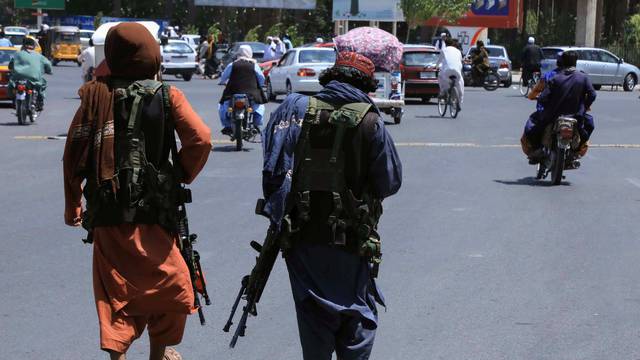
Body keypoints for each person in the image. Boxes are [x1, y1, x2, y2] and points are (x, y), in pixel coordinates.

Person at [62, 22, 212, 360]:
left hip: (108, 214)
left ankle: (119, 356)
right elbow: (200, 139)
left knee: (115, 289)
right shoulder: (167, 95)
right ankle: (158, 353)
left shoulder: (94, 96)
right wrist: (182, 174)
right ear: (152, 54)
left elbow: (73, 154)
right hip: (157, 213)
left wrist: (73, 205)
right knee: (172, 285)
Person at [261, 51, 402, 360]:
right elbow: (389, 183)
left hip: (303, 238)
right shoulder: (371, 122)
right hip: (352, 241)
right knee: (356, 317)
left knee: (313, 318)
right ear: (366, 85)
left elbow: (272, 171)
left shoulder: (294, 110)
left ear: (329, 79)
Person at [521, 51, 596, 163]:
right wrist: (583, 106)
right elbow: (592, 94)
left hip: (553, 116)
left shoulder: (554, 78)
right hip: (577, 116)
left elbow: (543, 97)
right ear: (575, 63)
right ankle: (577, 150)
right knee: (589, 125)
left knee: (532, 127)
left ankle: (537, 150)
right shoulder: (583, 77)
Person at [218, 44, 266, 135]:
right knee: (259, 107)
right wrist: (259, 85)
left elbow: (224, 77)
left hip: (233, 92)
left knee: (223, 106)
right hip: (251, 93)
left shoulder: (232, 65)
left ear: (238, 53)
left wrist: (222, 82)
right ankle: (256, 125)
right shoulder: (254, 65)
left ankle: (227, 126)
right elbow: (261, 78)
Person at [8, 37, 52, 111]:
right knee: (42, 85)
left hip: (18, 78)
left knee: (11, 84)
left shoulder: (17, 54)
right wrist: (49, 71)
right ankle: (40, 103)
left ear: (24, 45)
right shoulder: (39, 56)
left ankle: (13, 99)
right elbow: (48, 64)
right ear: (34, 46)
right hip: (34, 79)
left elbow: (10, 65)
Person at [436, 37, 464, 110]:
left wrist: (436, 67)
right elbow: (460, 61)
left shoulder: (444, 50)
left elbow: (439, 61)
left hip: (447, 72)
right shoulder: (458, 51)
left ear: (445, 44)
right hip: (457, 72)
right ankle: (459, 102)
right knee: (460, 84)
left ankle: (443, 92)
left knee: (440, 76)